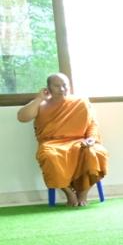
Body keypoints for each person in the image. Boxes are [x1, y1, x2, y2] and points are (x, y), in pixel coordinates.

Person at [15, 72, 106, 206]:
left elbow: (92, 123)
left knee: (96, 152)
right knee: (49, 156)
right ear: (48, 88)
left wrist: (91, 139)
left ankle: (83, 193)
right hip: (52, 144)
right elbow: (22, 118)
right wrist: (39, 99)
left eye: (65, 85)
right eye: (57, 86)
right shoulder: (41, 103)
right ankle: (69, 193)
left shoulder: (81, 102)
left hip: (79, 141)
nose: (62, 89)